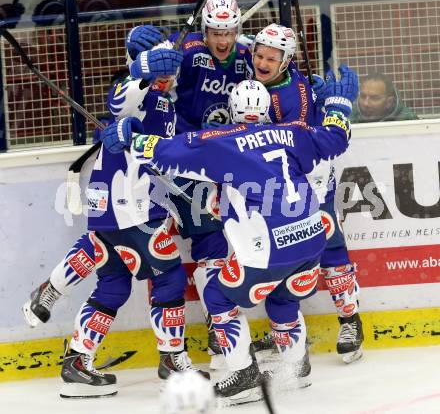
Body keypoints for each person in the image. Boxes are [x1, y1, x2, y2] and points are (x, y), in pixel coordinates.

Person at [114, 73, 356, 405]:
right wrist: (338, 104)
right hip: (312, 239)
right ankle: (295, 367)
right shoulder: (293, 132)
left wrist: (131, 137)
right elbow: (335, 138)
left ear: (233, 109)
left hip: (268, 248)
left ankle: (243, 374)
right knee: (283, 299)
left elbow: (167, 153)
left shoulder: (221, 140)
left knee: (218, 296)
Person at [128, 0, 256, 368]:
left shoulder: (248, 54)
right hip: (186, 165)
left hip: (225, 160)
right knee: (210, 244)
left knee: (223, 241)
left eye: (229, 31)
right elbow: (150, 64)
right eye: (216, 31)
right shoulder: (187, 49)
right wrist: (140, 45)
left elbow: (274, 68)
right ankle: (218, 334)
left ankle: (215, 332)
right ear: (205, 29)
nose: (222, 39)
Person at [21, 26, 165, 329]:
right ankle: (51, 289)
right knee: (100, 241)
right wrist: (110, 128)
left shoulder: (165, 101)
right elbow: (119, 104)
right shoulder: (127, 84)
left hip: (126, 187)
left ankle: (52, 289)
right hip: (112, 183)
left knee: (101, 248)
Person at [250, 23, 364, 363]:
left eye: (271, 58)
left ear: (285, 62)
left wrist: (326, 105)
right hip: (275, 189)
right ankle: (285, 333)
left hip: (309, 183)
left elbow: (306, 146)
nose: (262, 62)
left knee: (330, 250)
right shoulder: (277, 72)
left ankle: (350, 320)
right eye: (259, 55)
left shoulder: (292, 99)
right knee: (281, 264)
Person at [351, 73, 418, 123]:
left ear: (389, 102)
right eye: (363, 96)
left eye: (374, 98)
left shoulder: (407, 119)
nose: (366, 103)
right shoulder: (348, 117)